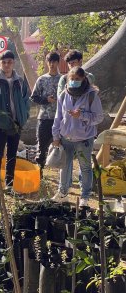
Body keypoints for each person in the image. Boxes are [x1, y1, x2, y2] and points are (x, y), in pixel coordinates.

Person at [51, 67, 103, 207]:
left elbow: (98, 117)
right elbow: (58, 117)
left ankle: (85, 196)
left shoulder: (91, 95)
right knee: (65, 166)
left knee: (85, 167)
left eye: (77, 79)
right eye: (72, 79)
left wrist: (82, 116)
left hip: (84, 139)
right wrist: (56, 136)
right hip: (66, 138)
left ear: (83, 79)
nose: (74, 82)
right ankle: (62, 192)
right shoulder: (63, 95)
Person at [0, 50, 30, 192]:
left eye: (9, 62)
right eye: (4, 62)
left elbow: (26, 100)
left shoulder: (20, 81)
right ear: (0, 63)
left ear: (13, 63)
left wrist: (24, 116)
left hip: (16, 125)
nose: (7, 64)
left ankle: (9, 185)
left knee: (12, 156)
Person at [30, 52, 61, 176]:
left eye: (54, 61)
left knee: (62, 147)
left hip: (60, 119)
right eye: (50, 62)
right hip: (44, 118)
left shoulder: (63, 79)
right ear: (47, 63)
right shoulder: (42, 79)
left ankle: (63, 175)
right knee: (42, 146)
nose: (52, 64)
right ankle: (39, 172)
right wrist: (45, 100)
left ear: (58, 62)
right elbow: (34, 97)